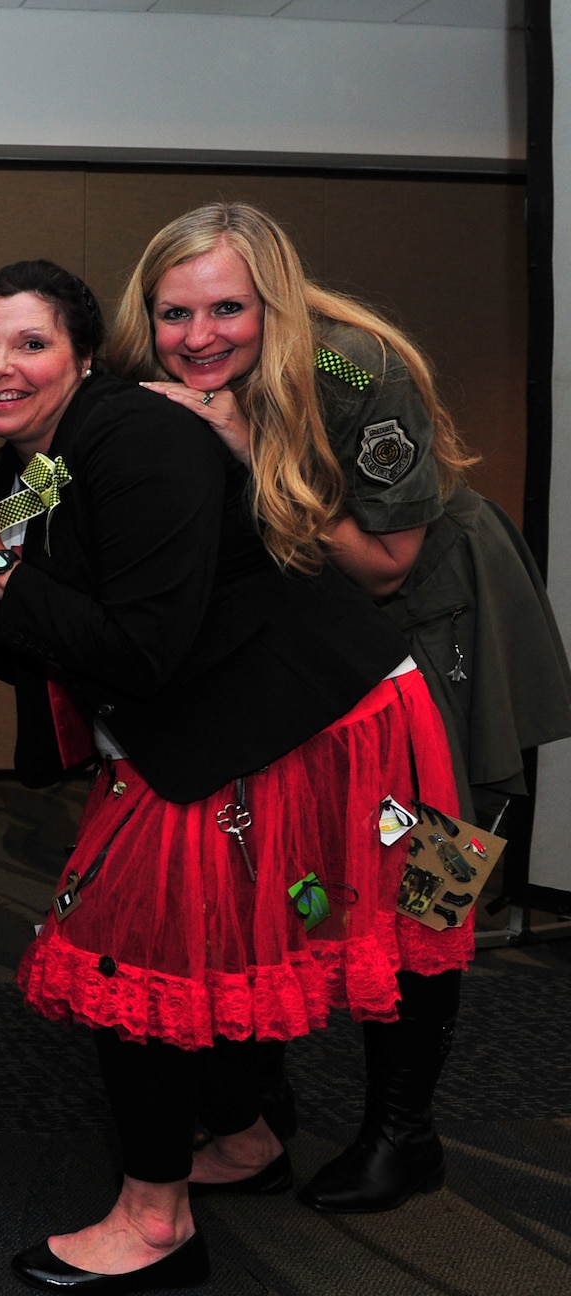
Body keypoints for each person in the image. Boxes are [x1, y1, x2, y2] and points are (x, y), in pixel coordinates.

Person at [0, 258, 471, 1295]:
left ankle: (155, 1218)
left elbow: (135, 650)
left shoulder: (137, 438)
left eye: (28, 343)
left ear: (83, 356)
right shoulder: (31, 464)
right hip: (213, 725)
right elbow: (18, 634)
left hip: (328, 715)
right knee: (211, 940)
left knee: (137, 950)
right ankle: (252, 1134)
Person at [114, 202, 571, 1214]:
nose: (197, 338)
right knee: (282, 852)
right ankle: (256, 1110)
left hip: (428, 611)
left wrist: (239, 449)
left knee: (431, 868)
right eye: (173, 313)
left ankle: (403, 1133)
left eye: (228, 309)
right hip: (295, 609)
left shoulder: (354, 369)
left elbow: (381, 563)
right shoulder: (152, 368)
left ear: (273, 300)